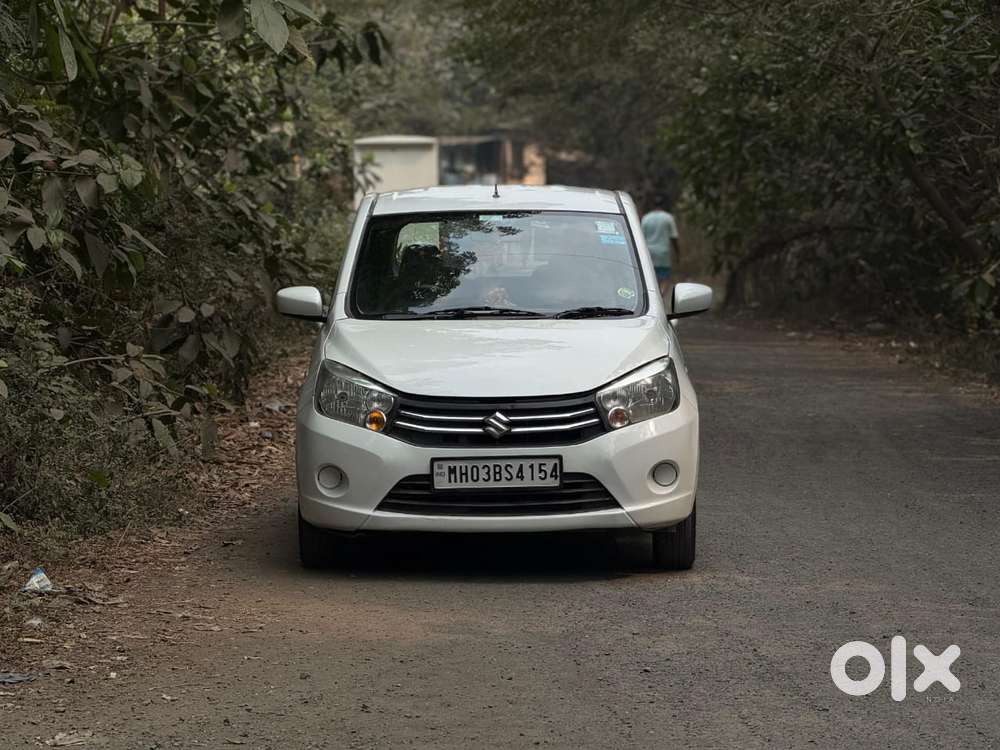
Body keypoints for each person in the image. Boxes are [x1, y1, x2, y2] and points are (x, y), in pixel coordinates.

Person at [640, 195, 681, 298]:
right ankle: (660, 297)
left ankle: (653, 298)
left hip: (648, 252)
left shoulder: (646, 218)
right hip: (663, 253)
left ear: (652, 205)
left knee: (651, 278)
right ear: (664, 205)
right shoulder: (668, 218)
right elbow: (674, 237)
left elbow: (640, 237)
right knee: (664, 279)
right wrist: (677, 254)